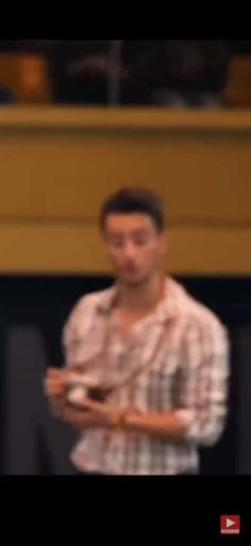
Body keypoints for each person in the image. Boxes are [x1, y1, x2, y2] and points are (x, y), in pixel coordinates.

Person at [44, 187, 229, 475]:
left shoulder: (198, 325)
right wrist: (63, 397)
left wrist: (120, 420)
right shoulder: (87, 312)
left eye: (140, 240)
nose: (128, 253)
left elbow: (206, 424)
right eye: (117, 242)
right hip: (92, 468)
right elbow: (80, 412)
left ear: (161, 242)